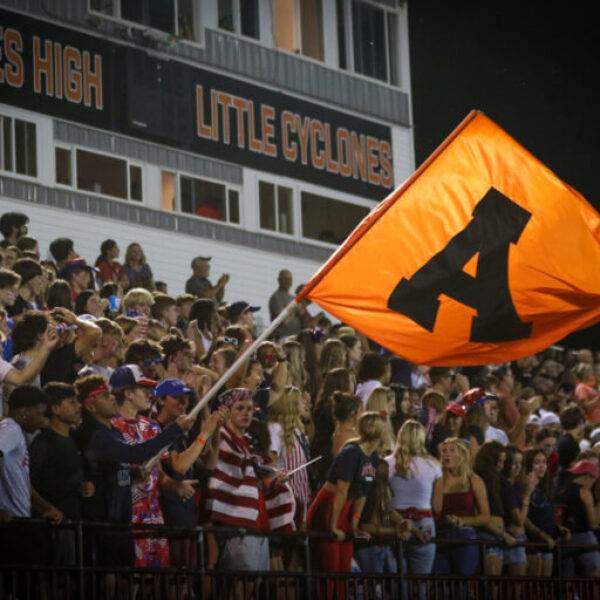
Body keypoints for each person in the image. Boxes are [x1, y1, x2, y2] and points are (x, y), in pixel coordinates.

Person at [71, 374, 194, 570]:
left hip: (120, 520)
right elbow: (134, 454)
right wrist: (174, 430)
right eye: (104, 396)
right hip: (102, 522)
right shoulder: (94, 434)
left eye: (110, 394)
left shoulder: (112, 432)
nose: (112, 398)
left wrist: (132, 477)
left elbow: (112, 475)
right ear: (91, 406)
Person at [206, 388, 293, 574]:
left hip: (257, 523)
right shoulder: (222, 438)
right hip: (237, 526)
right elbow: (228, 484)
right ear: (227, 411)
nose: (247, 413)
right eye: (240, 408)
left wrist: (272, 483)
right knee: (240, 586)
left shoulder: (244, 442)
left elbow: (250, 486)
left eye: (250, 408)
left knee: (253, 586)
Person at [307, 412, 387, 599]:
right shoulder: (352, 452)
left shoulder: (373, 457)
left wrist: (354, 525)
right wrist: (333, 525)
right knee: (331, 574)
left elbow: (362, 494)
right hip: (330, 507)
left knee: (343, 574)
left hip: (345, 509)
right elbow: (341, 490)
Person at [29, 382, 93, 565]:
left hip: (75, 523)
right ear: (56, 409)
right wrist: (45, 507)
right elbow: (25, 482)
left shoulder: (74, 439)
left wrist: (87, 485)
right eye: (72, 402)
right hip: (53, 528)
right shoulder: (43, 444)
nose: (79, 406)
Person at [386, 420, 441, 579]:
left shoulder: (386, 463)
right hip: (423, 522)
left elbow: (382, 500)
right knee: (420, 584)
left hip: (394, 522)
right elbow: (437, 506)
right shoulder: (434, 465)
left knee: (396, 582)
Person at [432, 437, 490, 576]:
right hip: (440, 536)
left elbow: (485, 516)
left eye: (452, 450)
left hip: (464, 536)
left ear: (463, 455)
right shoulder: (436, 479)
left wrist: (461, 521)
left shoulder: (474, 481)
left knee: (460, 583)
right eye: (444, 451)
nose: (446, 454)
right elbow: (433, 509)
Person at [554, 459, 600, 577]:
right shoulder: (584, 491)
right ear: (587, 477)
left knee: (567, 582)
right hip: (584, 539)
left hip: (563, 539)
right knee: (594, 576)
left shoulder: (559, 489)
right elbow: (593, 524)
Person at [269, 269, 302, 339]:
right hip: (282, 337)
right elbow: (283, 320)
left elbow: (302, 315)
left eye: (289, 279)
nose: (288, 282)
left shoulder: (293, 298)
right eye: (285, 279)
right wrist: (295, 309)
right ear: (279, 280)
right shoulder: (276, 297)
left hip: (295, 337)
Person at [331, 391, 362, 457]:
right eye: (360, 411)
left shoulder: (337, 432)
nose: (362, 414)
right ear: (353, 413)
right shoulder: (353, 437)